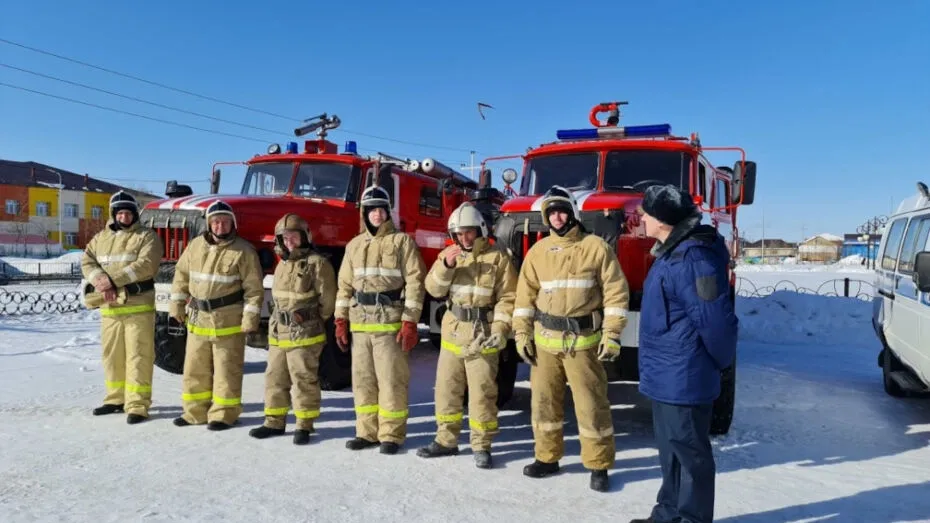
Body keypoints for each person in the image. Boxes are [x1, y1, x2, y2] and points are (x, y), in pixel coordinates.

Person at [628, 184, 738, 523]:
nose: (640, 218)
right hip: (667, 376)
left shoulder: (694, 258)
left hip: (684, 376)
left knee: (691, 458)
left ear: (662, 219)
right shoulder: (671, 253)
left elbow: (716, 323)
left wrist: (715, 364)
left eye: (645, 213)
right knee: (671, 453)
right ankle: (667, 514)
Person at [512, 185, 630, 492]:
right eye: (551, 212)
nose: (557, 217)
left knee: (591, 406)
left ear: (573, 213)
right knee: (543, 405)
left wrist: (613, 333)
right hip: (544, 344)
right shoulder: (537, 252)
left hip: (583, 343)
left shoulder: (596, 248)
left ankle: (598, 464)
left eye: (562, 211)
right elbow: (524, 297)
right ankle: (547, 457)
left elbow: (616, 293)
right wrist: (522, 333)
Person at [416, 202, 517, 469]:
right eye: (458, 234)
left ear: (480, 229)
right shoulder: (448, 255)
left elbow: (509, 298)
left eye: (469, 232)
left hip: (482, 335)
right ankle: (445, 441)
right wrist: (446, 265)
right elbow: (433, 289)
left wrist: (500, 330)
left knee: (482, 393)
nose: (464, 238)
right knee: (447, 390)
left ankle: (481, 445)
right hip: (453, 333)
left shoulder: (499, 258)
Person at [334, 185, 426, 455]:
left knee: (391, 381)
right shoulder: (354, 245)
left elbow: (415, 283)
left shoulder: (402, 242)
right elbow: (344, 286)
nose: (376, 214)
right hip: (360, 325)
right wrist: (341, 320)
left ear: (388, 212)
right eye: (371, 209)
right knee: (363, 382)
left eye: (381, 209)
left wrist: (409, 322)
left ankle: (391, 435)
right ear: (364, 213)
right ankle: (366, 432)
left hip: (390, 325)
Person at [168, 200, 264, 431]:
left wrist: (250, 318)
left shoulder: (244, 251)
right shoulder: (195, 246)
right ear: (209, 224)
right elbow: (181, 277)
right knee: (194, 369)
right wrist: (176, 306)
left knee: (227, 370)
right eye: (216, 222)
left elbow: (254, 289)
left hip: (228, 321)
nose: (220, 226)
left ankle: (224, 414)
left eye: (225, 221)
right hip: (198, 318)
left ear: (233, 224)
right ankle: (194, 413)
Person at [249, 213, 336, 445]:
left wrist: (310, 320)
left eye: (294, 236)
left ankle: (304, 425)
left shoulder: (318, 264)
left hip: (305, 333)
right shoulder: (282, 266)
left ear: (305, 237)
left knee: (303, 378)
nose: (289, 241)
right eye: (285, 237)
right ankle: (274, 422)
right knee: (274, 377)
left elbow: (328, 302)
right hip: (279, 332)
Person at [81, 191, 163, 424]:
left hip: (139, 308)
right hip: (110, 308)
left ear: (135, 214)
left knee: (139, 356)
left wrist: (112, 280)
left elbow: (146, 265)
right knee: (111, 356)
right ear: (113, 214)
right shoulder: (100, 238)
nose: (124, 216)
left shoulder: (147, 237)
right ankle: (115, 399)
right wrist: (99, 279)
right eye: (120, 212)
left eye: (128, 212)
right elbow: (87, 260)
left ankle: (137, 404)